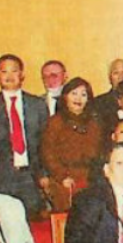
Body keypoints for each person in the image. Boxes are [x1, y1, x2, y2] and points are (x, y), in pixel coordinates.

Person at [0, 53, 50, 218]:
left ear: (22, 74)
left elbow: (46, 142)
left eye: (14, 71)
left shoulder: (37, 105)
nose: (9, 76)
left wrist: (44, 174)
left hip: (31, 177)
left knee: (33, 223)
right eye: (4, 71)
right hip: (2, 179)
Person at [39, 76, 101, 213]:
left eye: (83, 95)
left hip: (90, 178)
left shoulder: (94, 124)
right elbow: (48, 154)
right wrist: (62, 177)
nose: (78, 98)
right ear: (65, 96)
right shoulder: (55, 122)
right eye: (74, 93)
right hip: (64, 180)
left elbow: (99, 154)